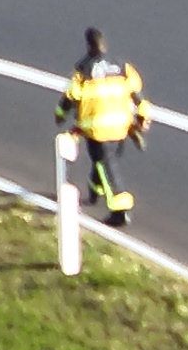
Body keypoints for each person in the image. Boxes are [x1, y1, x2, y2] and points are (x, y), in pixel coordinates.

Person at [57, 30, 151, 228]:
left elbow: (71, 97)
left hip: (98, 130)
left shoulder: (83, 69)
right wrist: (142, 117)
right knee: (104, 162)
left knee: (107, 167)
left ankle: (119, 210)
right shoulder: (121, 66)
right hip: (121, 127)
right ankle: (95, 190)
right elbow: (137, 93)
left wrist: (60, 114)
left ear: (89, 46)